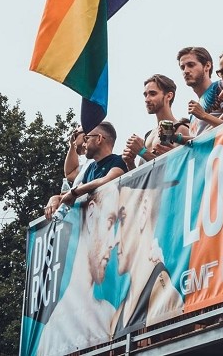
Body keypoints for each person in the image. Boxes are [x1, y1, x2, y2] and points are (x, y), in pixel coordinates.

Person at [36, 185, 120, 355]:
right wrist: (57, 197)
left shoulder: (110, 313)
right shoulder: (49, 334)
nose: (113, 241)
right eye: (110, 222)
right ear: (91, 215)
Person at [112, 167, 184, 337]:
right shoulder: (118, 313)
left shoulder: (166, 297)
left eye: (122, 220)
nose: (114, 240)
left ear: (144, 212)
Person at [44, 122, 128, 219]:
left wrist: (74, 192)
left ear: (99, 139)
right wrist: (55, 198)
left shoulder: (120, 160)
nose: (83, 144)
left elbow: (108, 180)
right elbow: (73, 194)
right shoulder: (90, 168)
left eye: (86, 139)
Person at [122, 74, 190, 170]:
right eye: (145, 95)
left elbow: (178, 168)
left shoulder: (180, 128)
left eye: (152, 94)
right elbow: (143, 175)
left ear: (169, 96)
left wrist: (142, 151)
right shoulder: (149, 135)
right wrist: (130, 163)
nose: (147, 99)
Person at [177, 46, 222, 137]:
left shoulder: (220, 87)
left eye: (191, 65)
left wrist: (204, 115)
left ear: (207, 66)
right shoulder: (193, 114)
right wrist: (176, 138)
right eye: (182, 67)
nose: (186, 71)